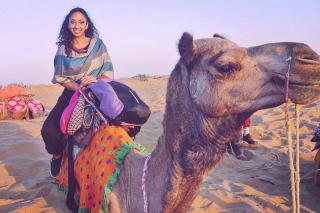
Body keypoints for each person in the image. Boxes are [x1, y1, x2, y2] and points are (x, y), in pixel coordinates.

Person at [41, 7, 114, 177]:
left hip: (97, 91)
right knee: (48, 130)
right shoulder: (63, 49)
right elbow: (60, 77)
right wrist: (78, 87)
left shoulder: (98, 45)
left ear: (87, 25)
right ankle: (58, 155)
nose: (77, 26)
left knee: (118, 122)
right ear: (68, 25)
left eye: (81, 22)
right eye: (73, 22)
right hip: (72, 93)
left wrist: (95, 81)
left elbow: (108, 70)